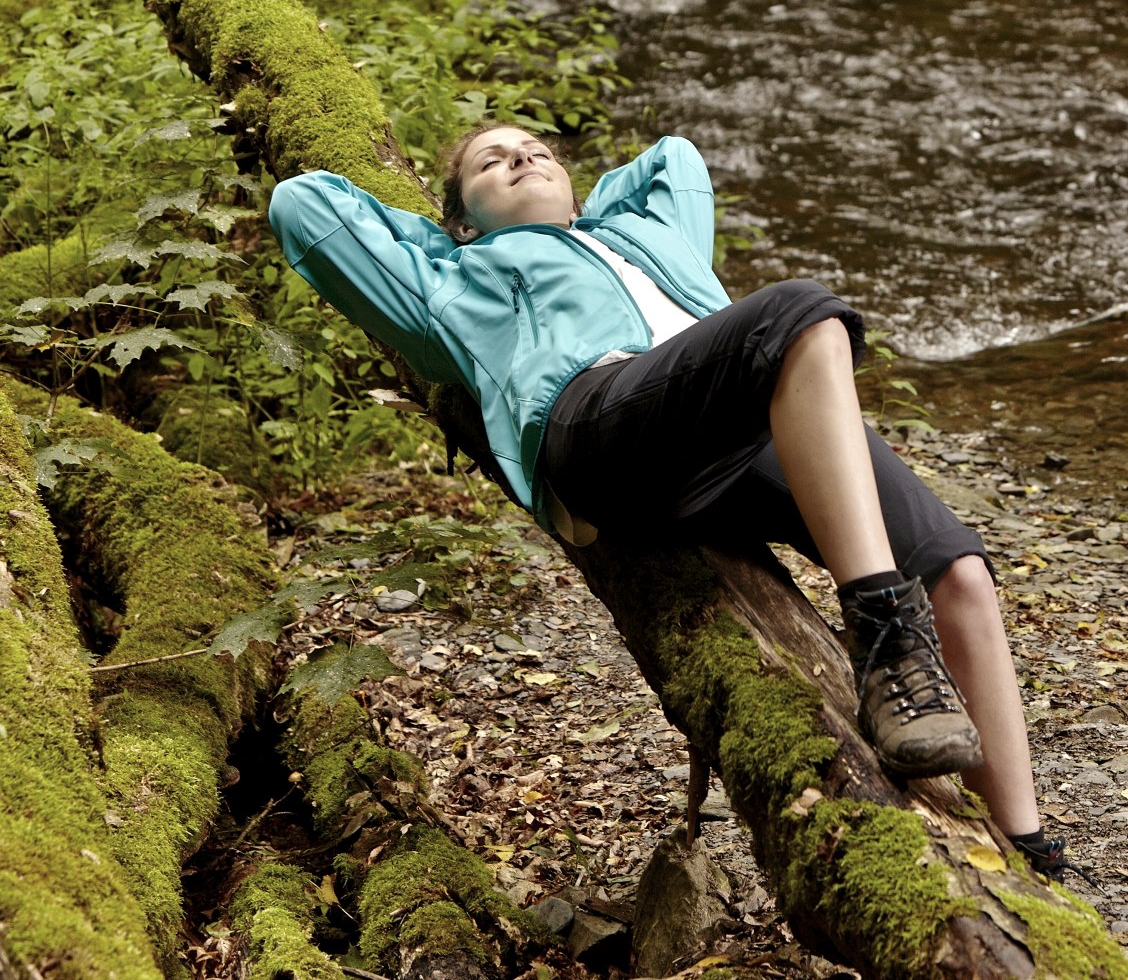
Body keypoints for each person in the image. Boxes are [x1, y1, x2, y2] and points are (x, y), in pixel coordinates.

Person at [266, 124, 1076, 877]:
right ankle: (885, 638)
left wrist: (585, 219)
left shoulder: (650, 235)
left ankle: (1028, 845)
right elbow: (303, 206)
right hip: (597, 430)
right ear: (462, 220)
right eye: (492, 161)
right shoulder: (451, 279)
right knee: (800, 312)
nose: (523, 159)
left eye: (538, 149)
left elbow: (673, 157)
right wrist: (443, 241)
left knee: (959, 573)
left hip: (740, 425)